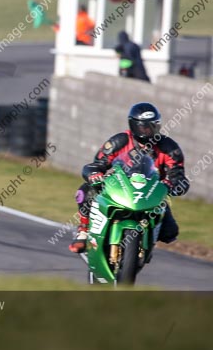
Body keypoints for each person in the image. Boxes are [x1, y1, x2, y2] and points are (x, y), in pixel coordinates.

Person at [69, 102, 188, 253]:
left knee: (170, 232)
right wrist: (95, 174)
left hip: (151, 193)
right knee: (86, 192)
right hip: (119, 186)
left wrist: (173, 184)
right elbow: (98, 163)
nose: (148, 131)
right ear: (133, 125)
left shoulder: (169, 147)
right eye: (143, 127)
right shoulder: (119, 141)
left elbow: (178, 174)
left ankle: (144, 246)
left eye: (152, 126)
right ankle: (84, 230)